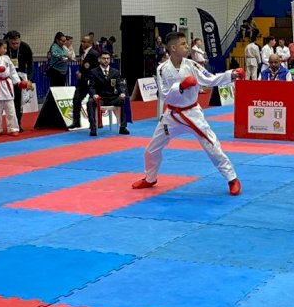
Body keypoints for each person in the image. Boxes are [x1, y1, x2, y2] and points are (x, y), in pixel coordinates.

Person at [132, 32, 245, 194]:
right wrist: (181, 86)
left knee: (212, 145)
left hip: (192, 113)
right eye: (183, 44)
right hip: (172, 116)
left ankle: (232, 179)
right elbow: (164, 95)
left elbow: (209, 79)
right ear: (173, 48)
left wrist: (230, 75)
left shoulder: (192, 65)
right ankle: (150, 178)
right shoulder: (162, 69)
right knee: (151, 150)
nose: (187, 46)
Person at [86, 52, 129, 136]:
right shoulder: (93, 72)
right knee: (90, 102)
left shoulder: (115, 72)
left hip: (112, 98)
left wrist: (122, 93)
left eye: (108, 58)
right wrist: (94, 94)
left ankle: (123, 127)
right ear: (99, 59)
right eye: (104, 58)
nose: (106, 60)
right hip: (99, 98)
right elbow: (91, 86)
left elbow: (119, 85)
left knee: (124, 100)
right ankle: (93, 128)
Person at [68, 35, 100, 129]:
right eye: (81, 41)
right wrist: (80, 72)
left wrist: (84, 75)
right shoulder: (83, 52)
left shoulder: (94, 54)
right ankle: (76, 121)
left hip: (91, 82)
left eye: (84, 42)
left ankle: (92, 123)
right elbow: (84, 66)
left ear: (90, 43)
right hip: (82, 82)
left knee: (91, 102)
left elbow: (96, 70)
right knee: (76, 99)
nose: (82, 43)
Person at [4, 31, 34, 132]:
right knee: (4, 103)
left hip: (20, 77)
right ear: (8, 41)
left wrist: (29, 79)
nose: (15, 45)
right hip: (6, 77)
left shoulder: (25, 47)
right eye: (13, 43)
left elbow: (30, 65)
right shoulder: (3, 47)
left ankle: (17, 124)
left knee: (18, 102)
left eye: (17, 43)